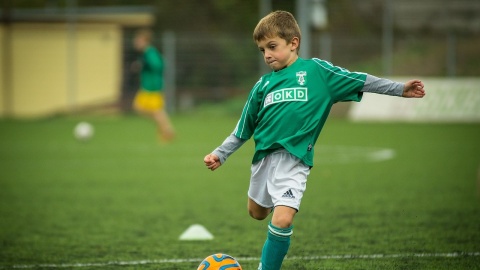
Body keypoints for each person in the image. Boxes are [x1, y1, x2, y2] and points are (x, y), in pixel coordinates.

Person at [203, 10, 425, 270]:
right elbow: (243, 128)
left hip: (294, 161)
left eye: (272, 47)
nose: (267, 55)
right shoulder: (262, 85)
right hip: (263, 160)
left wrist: (399, 89)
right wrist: (221, 153)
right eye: (262, 50)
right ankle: (267, 206)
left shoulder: (317, 72)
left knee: (282, 220)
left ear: (294, 43)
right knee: (257, 213)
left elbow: (360, 80)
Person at [132, 29, 175, 142]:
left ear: (145, 41)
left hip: (152, 87)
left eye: (138, 40)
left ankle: (167, 130)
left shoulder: (149, 52)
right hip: (147, 86)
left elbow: (159, 65)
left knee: (155, 111)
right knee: (141, 108)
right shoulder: (146, 53)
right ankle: (166, 129)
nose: (136, 42)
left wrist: (145, 64)